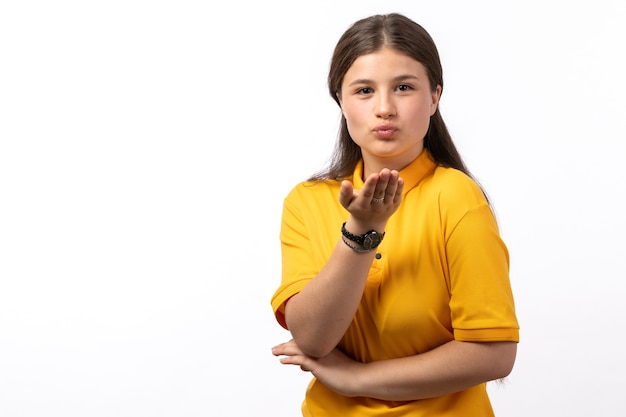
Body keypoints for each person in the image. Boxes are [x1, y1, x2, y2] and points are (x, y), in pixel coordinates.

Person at [270, 12, 519, 417]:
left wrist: (354, 378)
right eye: (364, 90)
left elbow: (494, 354)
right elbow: (313, 339)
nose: (384, 108)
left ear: (435, 97)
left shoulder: (456, 196)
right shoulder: (306, 202)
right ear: (340, 100)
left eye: (404, 87)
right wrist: (361, 232)